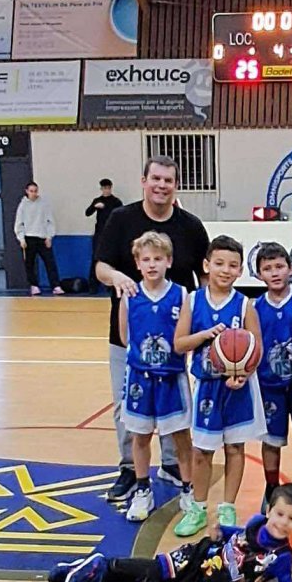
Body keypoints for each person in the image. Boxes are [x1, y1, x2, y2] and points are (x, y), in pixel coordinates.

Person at [95, 156, 209, 505]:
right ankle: (131, 470)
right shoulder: (121, 219)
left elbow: (204, 278)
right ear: (143, 181)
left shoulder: (190, 226)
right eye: (155, 179)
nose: (161, 185)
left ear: (176, 185)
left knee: (175, 407)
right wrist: (117, 276)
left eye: (168, 180)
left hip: (176, 339)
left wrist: (206, 322)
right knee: (125, 406)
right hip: (132, 336)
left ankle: (173, 466)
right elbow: (100, 266)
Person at [49, 484, 292, 582]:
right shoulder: (255, 524)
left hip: (205, 579)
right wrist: (221, 530)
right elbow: (238, 533)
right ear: (269, 511)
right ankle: (104, 563)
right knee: (157, 569)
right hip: (201, 555)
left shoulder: (282, 556)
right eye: (280, 514)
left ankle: (91, 572)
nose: (283, 522)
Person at [174, 235, 266, 536]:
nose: (225, 270)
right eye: (219, 264)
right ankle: (198, 508)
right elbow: (179, 343)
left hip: (237, 388)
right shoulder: (192, 301)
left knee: (235, 448)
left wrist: (244, 374)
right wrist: (205, 335)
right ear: (206, 265)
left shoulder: (244, 305)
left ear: (240, 271)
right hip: (207, 387)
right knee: (202, 451)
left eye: (232, 265)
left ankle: (228, 506)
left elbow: (257, 348)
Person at [117, 231, 195, 523]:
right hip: (141, 379)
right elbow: (124, 337)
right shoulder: (130, 296)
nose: (152, 264)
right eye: (146, 259)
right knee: (140, 437)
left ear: (169, 261)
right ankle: (142, 489)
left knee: (181, 438)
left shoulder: (182, 295)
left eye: (158, 259)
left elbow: (185, 336)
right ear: (137, 263)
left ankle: (188, 489)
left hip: (172, 378)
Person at [253, 244, 292, 507]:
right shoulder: (255, 307)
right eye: (267, 268)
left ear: (290, 268)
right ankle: (271, 487)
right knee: (271, 440)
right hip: (269, 384)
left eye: (279, 267)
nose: (274, 273)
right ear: (259, 274)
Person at [13, 181, 64, 296]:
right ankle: (34, 285)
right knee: (29, 264)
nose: (34, 193)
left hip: (42, 238)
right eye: (31, 191)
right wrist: (21, 239)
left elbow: (50, 222)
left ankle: (55, 286)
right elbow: (19, 223)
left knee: (50, 262)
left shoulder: (43, 204)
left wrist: (49, 237)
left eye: (35, 191)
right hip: (29, 238)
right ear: (27, 191)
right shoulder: (22, 206)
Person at [84, 179, 122, 291]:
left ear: (111, 188)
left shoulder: (116, 202)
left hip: (112, 234)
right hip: (99, 234)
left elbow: (121, 216)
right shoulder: (97, 200)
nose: (106, 190)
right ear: (101, 189)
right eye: (104, 188)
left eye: (108, 188)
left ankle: (110, 284)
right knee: (96, 258)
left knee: (111, 259)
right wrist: (95, 207)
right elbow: (87, 213)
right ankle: (93, 285)